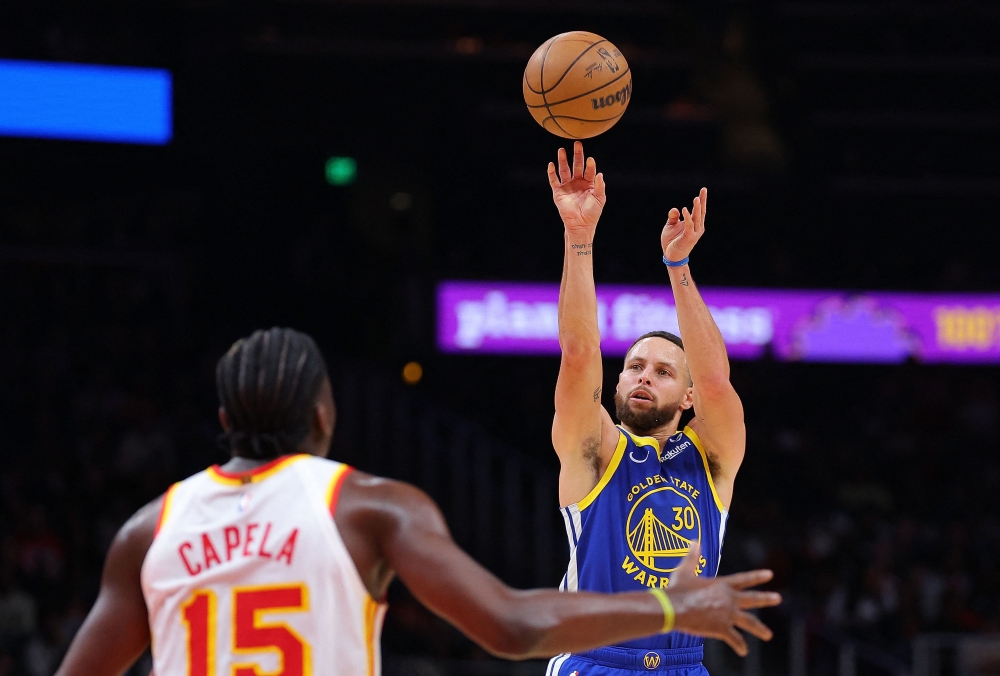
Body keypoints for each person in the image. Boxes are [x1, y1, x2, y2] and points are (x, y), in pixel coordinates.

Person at [54, 328, 776, 676]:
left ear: (219, 421)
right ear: (326, 418)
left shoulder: (149, 530)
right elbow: (512, 625)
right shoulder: (366, 507)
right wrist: (674, 608)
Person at [546, 142, 748, 675]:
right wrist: (579, 237)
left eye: (662, 372)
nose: (643, 376)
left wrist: (678, 264)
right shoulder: (595, 448)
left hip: (684, 664)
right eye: (635, 366)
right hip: (597, 657)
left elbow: (715, 381)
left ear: (687, 399)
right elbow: (579, 353)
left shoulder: (711, 459)